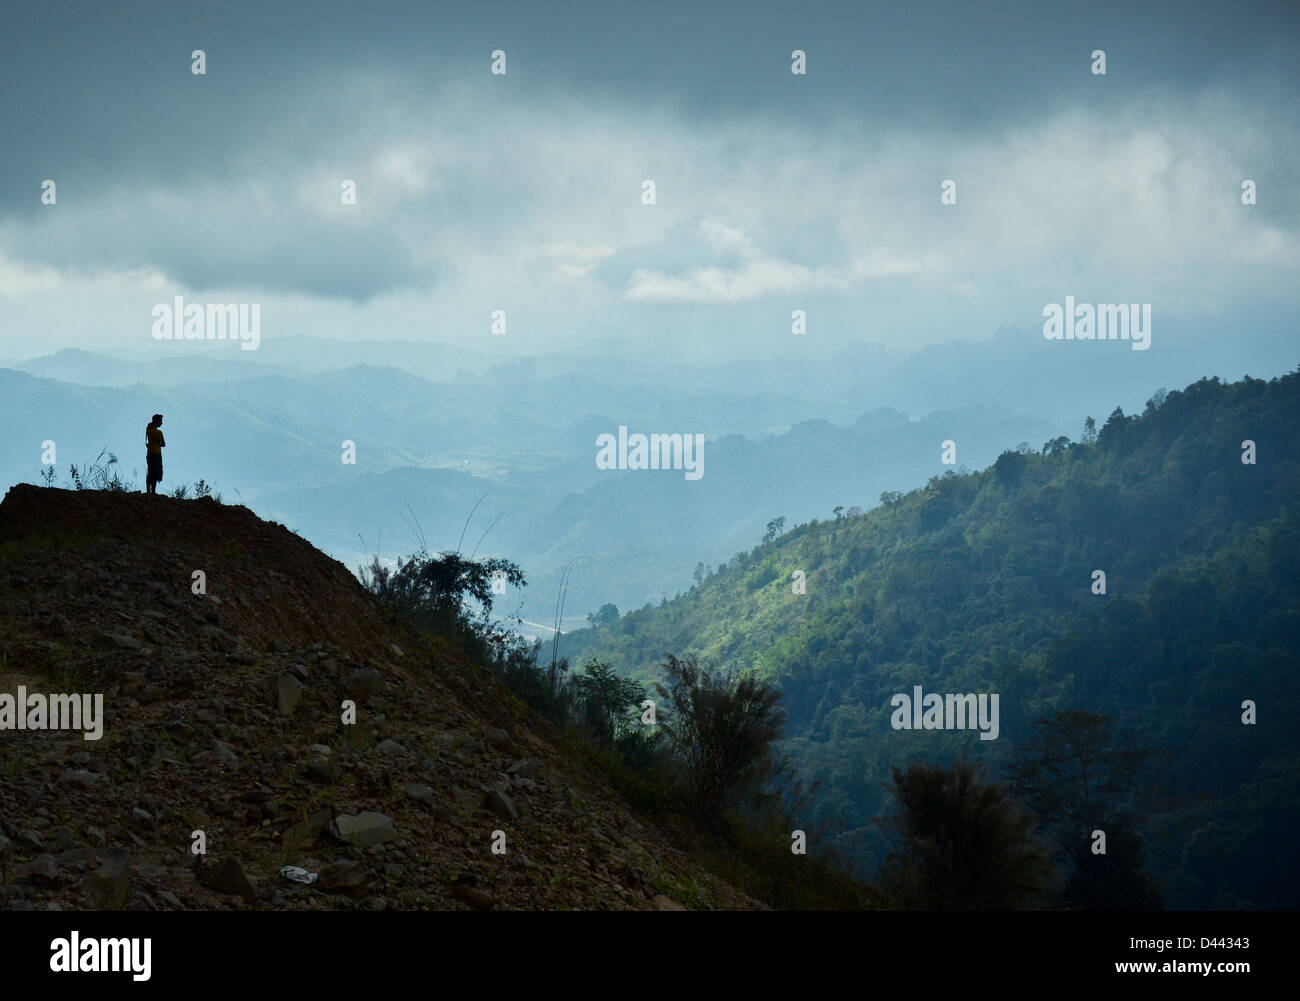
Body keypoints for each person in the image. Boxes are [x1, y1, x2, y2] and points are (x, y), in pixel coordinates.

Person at [145, 414, 165, 493]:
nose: (161, 423)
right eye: (160, 421)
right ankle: (153, 491)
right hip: (157, 454)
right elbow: (163, 444)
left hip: (150, 453)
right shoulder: (159, 432)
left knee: (150, 471)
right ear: (157, 421)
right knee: (156, 472)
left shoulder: (148, 429)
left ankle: (148, 491)